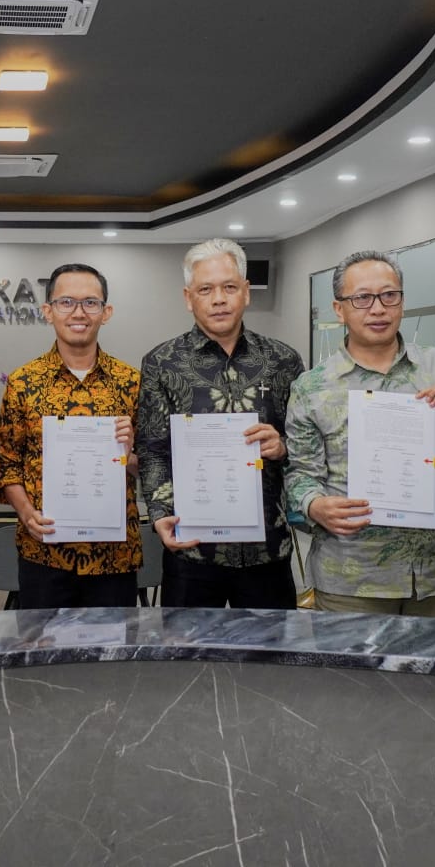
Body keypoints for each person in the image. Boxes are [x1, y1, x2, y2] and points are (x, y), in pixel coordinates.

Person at [284, 250, 435, 618]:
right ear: (339, 309)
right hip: (351, 574)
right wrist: (314, 505)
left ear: (402, 302)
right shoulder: (312, 387)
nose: (378, 309)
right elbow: (300, 473)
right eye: (362, 298)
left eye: (389, 295)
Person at [135, 238, 304, 608]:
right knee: (188, 646)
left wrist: (282, 447)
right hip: (192, 549)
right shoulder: (161, 363)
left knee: (271, 645)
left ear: (246, 292)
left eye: (229, 287)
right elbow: (152, 450)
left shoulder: (283, 360)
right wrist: (160, 514)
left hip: (267, 549)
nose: (219, 299)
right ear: (188, 297)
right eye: (205, 289)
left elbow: (306, 446)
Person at [0, 263, 141, 608]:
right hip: (43, 553)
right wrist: (25, 512)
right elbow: (7, 463)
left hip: (114, 556)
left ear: (106, 312)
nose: (79, 313)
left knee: (114, 643)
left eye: (90, 303)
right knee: (41, 642)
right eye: (66, 302)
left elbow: (152, 467)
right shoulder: (23, 382)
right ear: (48, 311)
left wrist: (130, 454)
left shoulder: (132, 382)